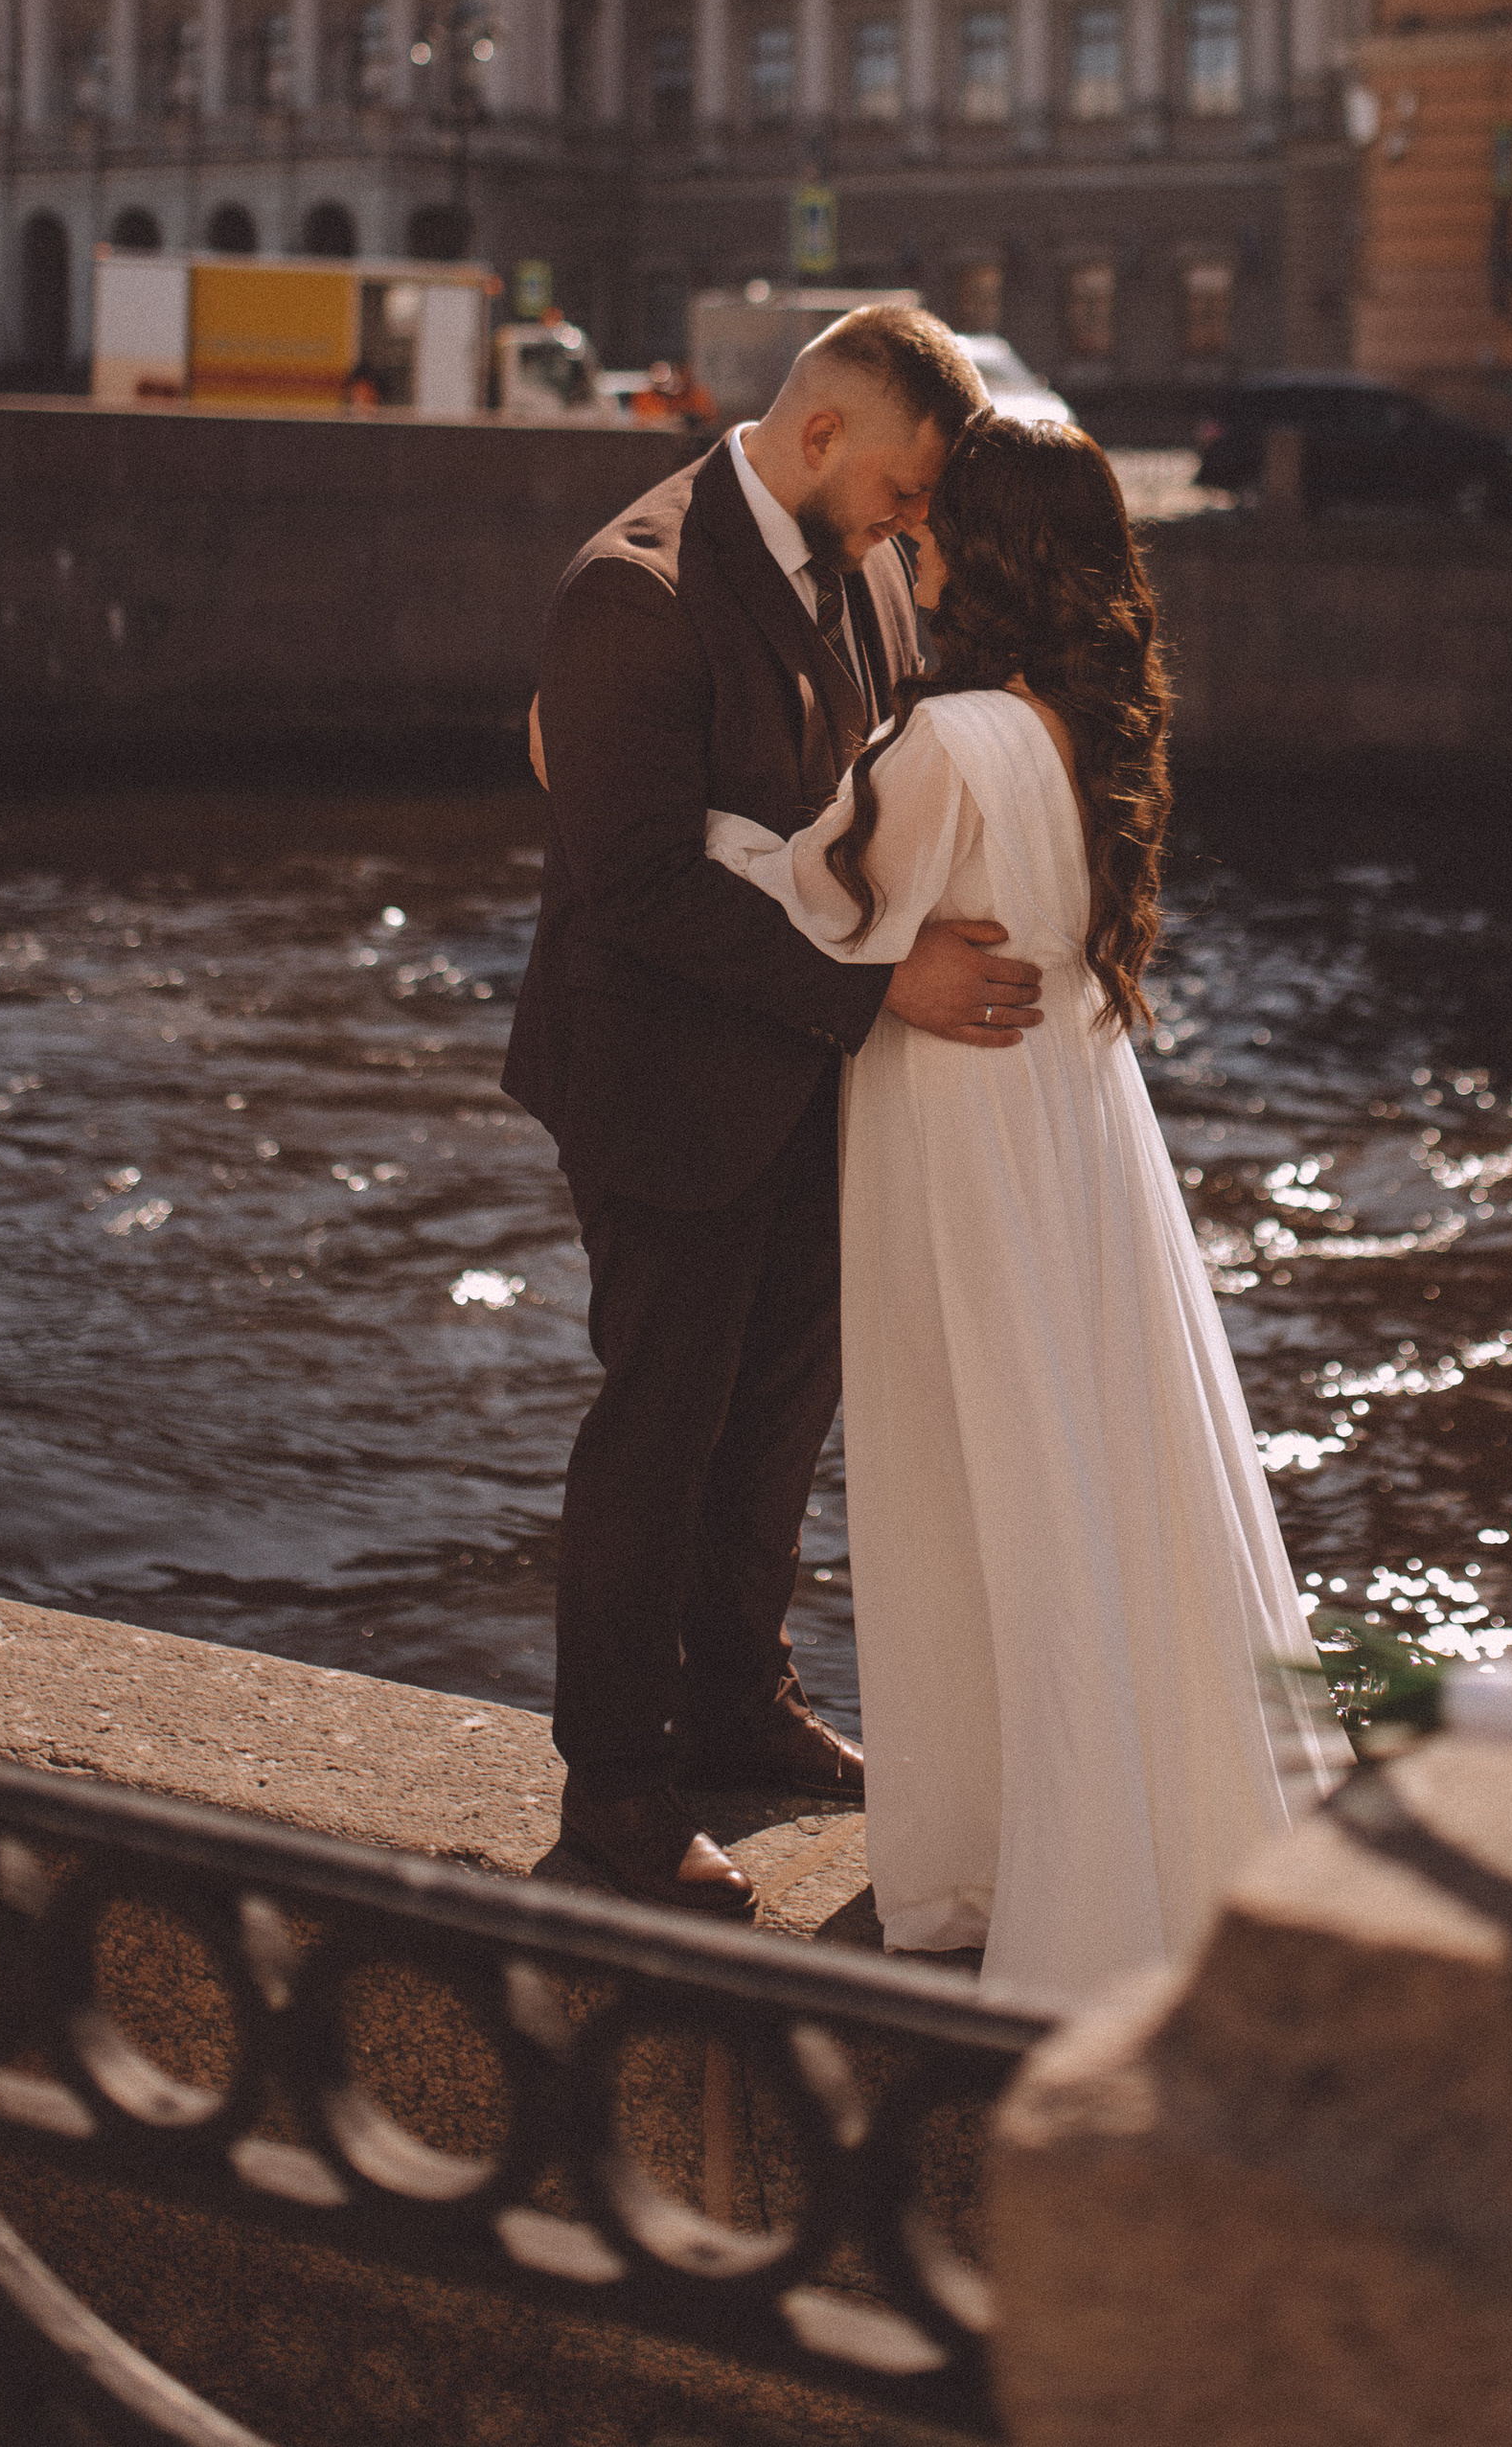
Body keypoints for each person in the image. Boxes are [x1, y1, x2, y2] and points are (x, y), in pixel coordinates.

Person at [703, 414, 1346, 2006]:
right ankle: (1112, 1819)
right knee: (1091, 1460)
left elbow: (833, 905)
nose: (910, 552)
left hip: (964, 1135)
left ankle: (1011, 1857)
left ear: (983, 555)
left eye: (932, 532)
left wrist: (692, 828)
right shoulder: (1087, 726)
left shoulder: (950, 742)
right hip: (1071, 1121)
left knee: (971, 1471)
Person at [502, 305, 1042, 1919]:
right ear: (819, 439)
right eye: (897, 490)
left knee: (779, 1413)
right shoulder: (635, 588)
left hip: (804, 1079)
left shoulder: (864, 561)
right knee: (659, 1430)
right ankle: (614, 1792)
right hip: (664, 1082)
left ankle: (741, 1697)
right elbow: (644, 887)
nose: (909, 527)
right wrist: (883, 992)